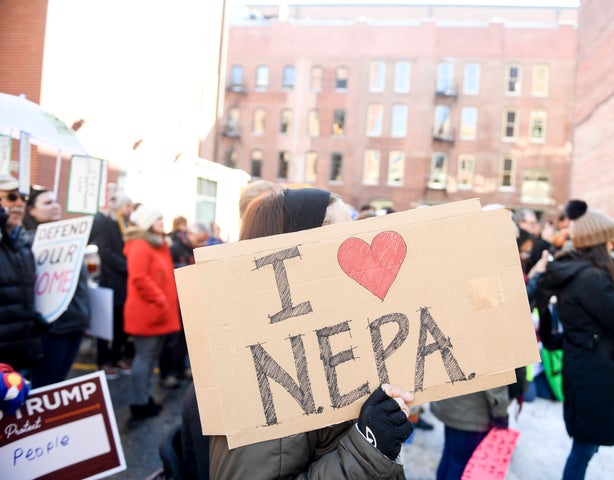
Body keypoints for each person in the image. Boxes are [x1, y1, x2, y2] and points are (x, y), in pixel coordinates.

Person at [209, 188, 413, 479]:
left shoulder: (333, 335)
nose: (356, 244)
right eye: (341, 237)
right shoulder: (263, 369)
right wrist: (369, 445)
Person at [536, 199, 614, 480]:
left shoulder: (577, 272)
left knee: (586, 445)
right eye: (609, 241)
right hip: (594, 371)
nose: (613, 247)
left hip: (586, 364)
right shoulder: (591, 279)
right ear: (598, 242)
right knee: (584, 448)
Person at [23, 187, 91, 388]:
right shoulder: (27, 241)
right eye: (47, 203)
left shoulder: (70, 237)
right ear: (31, 211)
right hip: (52, 328)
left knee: (60, 383)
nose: (55, 206)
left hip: (75, 322)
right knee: (45, 386)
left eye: (56, 201)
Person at [123, 205, 181, 419]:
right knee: (144, 358)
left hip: (158, 311)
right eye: (157, 219)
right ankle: (138, 403)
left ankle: (145, 399)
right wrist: (160, 299)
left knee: (149, 359)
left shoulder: (157, 243)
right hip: (148, 312)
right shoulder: (141, 244)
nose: (162, 223)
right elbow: (139, 277)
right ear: (148, 223)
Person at [0, 175, 44, 372]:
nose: (18, 203)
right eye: (11, 197)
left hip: (22, 354)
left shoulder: (23, 244)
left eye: (23, 199)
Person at [89, 191, 135, 379]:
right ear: (120, 207)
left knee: (120, 322)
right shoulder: (107, 223)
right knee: (106, 322)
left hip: (124, 282)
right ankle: (103, 360)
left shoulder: (127, 225)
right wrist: (127, 266)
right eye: (128, 206)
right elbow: (105, 251)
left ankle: (117, 356)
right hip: (110, 280)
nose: (131, 210)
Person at [159, 221, 210, 388]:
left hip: (189, 298)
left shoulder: (190, 248)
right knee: (171, 339)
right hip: (174, 298)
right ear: (190, 234)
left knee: (185, 338)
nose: (203, 244)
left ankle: (181, 367)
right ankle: (167, 373)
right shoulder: (173, 248)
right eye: (200, 240)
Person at [430, 386, 511, 480]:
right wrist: (500, 413)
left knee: (449, 457)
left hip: (451, 405)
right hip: (473, 413)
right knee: (460, 466)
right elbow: (495, 385)